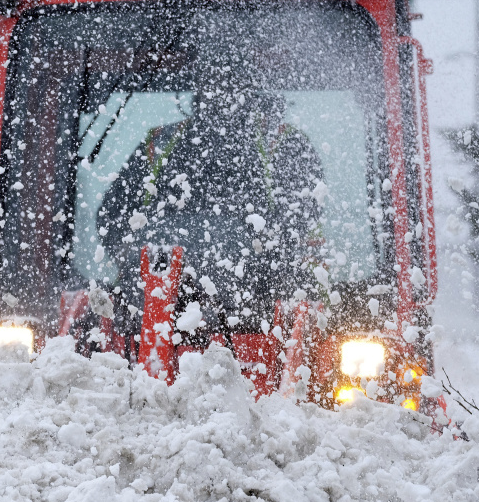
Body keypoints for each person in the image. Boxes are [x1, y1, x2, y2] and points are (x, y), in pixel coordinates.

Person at [97, 87, 324, 342]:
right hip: (162, 317)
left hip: (255, 315)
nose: (220, 94)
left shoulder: (163, 141)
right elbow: (112, 221)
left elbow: (111, 222)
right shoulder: (282, 143)